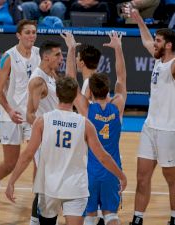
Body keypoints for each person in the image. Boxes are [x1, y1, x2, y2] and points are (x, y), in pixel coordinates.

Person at [5, 76, 127, 225]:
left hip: (49, 186)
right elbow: (102, 156)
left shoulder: (42, 121)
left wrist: (12, 181)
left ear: (56, 94)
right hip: (75, 187)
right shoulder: (85, 124)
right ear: (75, 95)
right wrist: (121, 176)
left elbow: (27, 155)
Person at [125, 7, 175, 225]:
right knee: (142, 177)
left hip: (171, 130)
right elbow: (146, 40)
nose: (154, 44)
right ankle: (137, 219)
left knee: (171, 176)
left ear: (168, 45)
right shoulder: (159, 60)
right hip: (150, 127)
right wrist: (139, 19)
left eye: (158, 41)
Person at [62, 31, 127, 225]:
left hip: (89, 168)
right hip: (112, 167)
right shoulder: (118, 104)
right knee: (111, 215)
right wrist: (118, 49)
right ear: (108, 89)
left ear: (89, 91)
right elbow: (121, 78)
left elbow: (70, 80)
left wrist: (71, 49)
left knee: (89, 216)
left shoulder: (86, 109)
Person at [0, 19, 40, 206]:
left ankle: (38, 200)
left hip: (33, 115)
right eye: (27, 32)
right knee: (10, 163)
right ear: (18, 35)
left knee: (38, 158)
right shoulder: (8, 57)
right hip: (12, 115)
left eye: (34, 32)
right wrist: (9, 110)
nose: (31, 35)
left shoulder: (40, 54)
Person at [26, 39, 63, 225]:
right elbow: (30, 115)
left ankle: (43, 218)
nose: (60, 58)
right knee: (46, 184)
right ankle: (35, 220)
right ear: (46, 57)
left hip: (56, 137)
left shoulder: (52, 74)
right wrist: (46, 129)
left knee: (51, 182)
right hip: (44, 138)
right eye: (58, 55)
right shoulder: (38, 80)